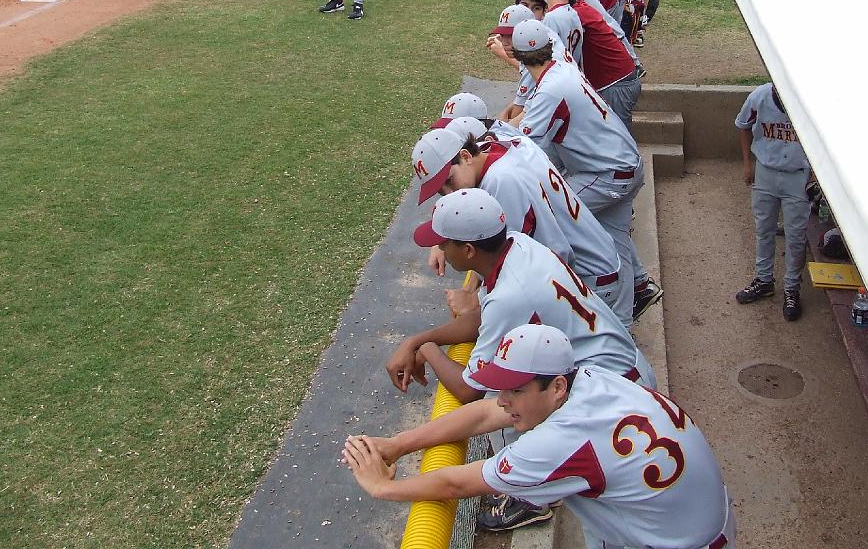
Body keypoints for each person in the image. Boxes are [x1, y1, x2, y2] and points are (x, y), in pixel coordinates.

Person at [387, 189, 656, 530]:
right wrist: (421, 339)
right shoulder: (516, 245)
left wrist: (425, 351)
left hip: (612, 396)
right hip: (617, 370)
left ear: (468, 250)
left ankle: (529, 497)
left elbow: (469, 391)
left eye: (444, 244)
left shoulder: (510, 295)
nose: (440, 250)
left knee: (502, 395)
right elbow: (485, 316)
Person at [347, 324, 735, 549]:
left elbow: (455, 483)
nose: (502, 399)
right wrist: (399, 444)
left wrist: (384, 488)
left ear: (556, 388)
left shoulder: (560, 441)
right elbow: (487, 412)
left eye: (515, 390)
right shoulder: (590, 379)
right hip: (690, 516)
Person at [510, 21, 662, 322]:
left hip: (608, 173)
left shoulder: (550, 90)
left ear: (518, 55)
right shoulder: (563, 68)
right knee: (614, 236)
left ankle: (604, 316)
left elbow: (522, 143)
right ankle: (639, 287)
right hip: (623, 165)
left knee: (553, 215)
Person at [410, 127, 632, 323]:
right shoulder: (494, 147)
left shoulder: (501, 183)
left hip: (587, 276)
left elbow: (508, 264)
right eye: (439, 191)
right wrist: (441, 238)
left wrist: (475, 302)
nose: (450, 193)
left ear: (466, 156)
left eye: (449, 181)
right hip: (594, 255)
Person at [733, 83, 810, 322]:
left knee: (796, 236)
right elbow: (743, 126)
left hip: (798, 174)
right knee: (763, 229)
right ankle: (764, 280)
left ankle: (792, 288)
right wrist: (747, 164)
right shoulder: (760, 97)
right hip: (766, 170)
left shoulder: (809, 100)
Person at [541, 0, 640, 136]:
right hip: (621, 77)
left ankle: (632, 163)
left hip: (614, 83)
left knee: (619, 139)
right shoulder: (580, 8)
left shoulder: (560, 16)